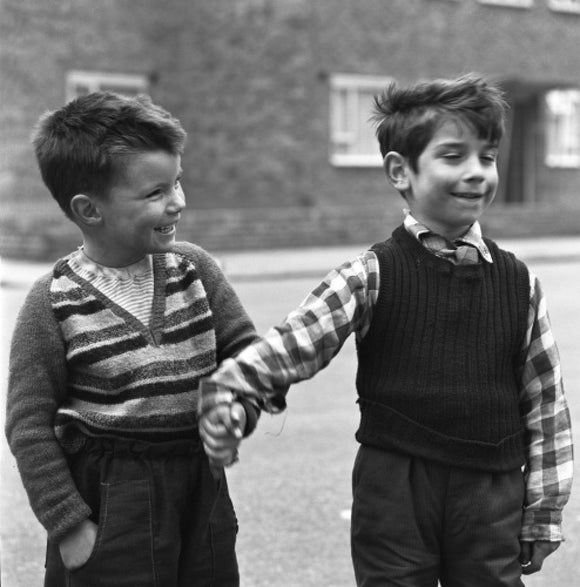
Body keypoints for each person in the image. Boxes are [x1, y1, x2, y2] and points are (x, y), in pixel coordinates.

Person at [198, 73, 574, 586]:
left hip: (492, 488)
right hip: (395, 486)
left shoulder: (519, 282)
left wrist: (544, 509)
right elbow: (296, 342)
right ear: (401, 171)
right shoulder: (372, 273)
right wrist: (232, 388)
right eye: (452, 155)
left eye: (487, 157)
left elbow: (545, 401)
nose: (477, 172)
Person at [5, 91, 258, 587]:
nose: (178, 202)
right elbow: (28, 425)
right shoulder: (51, 302)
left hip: (199, 491)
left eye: (177, 183)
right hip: (109, 499)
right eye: (155, 193)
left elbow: (248, 355)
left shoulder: (196, 270)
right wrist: (71, 526)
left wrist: (237, 406)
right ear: (89, 210)